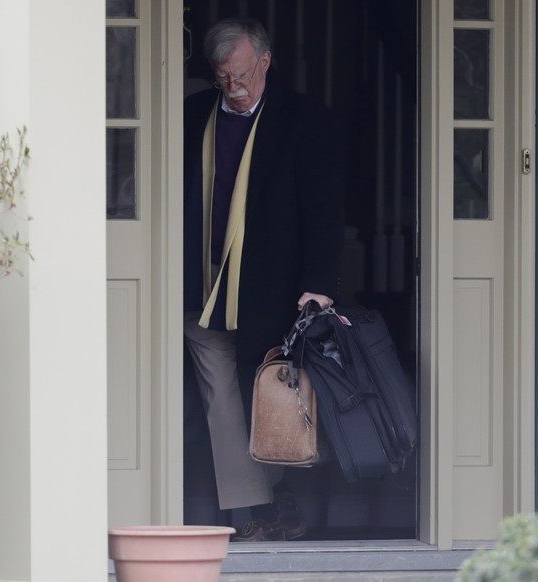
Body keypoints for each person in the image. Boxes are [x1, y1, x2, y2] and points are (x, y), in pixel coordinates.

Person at [183, 17, 344, 542]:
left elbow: (324, 210)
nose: (233, 87)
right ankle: (260, 507)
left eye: (242, 75)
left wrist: (319, 283)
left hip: (271, 286)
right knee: (221, 397)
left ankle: (286, 493)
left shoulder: (304, 120)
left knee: (273, 391)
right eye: (223, 77)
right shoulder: (190, 116)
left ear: (265, 62)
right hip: (200, 282)